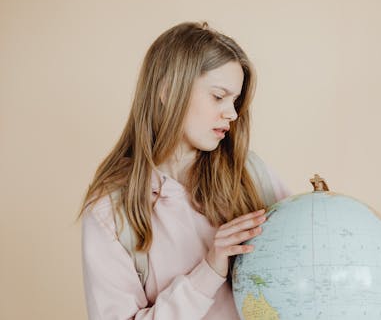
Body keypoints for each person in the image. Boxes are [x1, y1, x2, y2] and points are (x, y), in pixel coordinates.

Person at [78, 21, 291, 319]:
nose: (231, 114)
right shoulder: (110, 212)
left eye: (235, 101)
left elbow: (301, 265)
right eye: (218, 96)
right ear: (167, 90)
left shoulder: (251, 174)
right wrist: (210, 270)